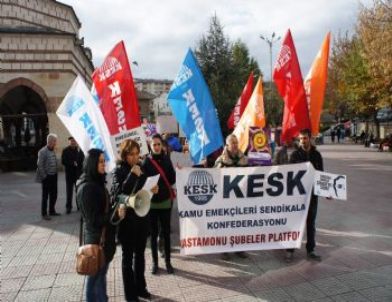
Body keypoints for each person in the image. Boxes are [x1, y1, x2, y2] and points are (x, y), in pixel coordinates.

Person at [111, 139, 158, 301]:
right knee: (127, 258)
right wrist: (132, 175)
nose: (135, 157)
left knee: (140, 256)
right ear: (124, 155)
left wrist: (153, 189)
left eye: (137, 154)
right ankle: (130, 295)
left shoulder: (142, 168)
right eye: (131, 154)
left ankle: (141, 288)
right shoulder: (118, 170)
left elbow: (144, 192)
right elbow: (119, 194)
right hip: (127, 223)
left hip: (142, 219)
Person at [76, 148, 116, 302]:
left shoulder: (95, 182)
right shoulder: (88, 188)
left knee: (100, 277)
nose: (103, 164)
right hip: (97, 241)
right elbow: (94, 220)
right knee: (94, 281)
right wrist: (115, 214)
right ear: (92, 163)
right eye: (100, 161)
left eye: (104, 161)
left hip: (100, 240)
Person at [285, 128, 324, 263]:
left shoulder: (317, 155)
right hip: (298, 195)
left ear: (310, 138)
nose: (302, 141)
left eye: (305, 138)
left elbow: (321, 175)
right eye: (300, 139)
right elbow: (290, 174)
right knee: (295, 222)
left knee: (311, 222)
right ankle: (290, 249)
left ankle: (311, 249)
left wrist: (327, 191)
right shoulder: (295, 155)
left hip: (312, 194)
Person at [142, 133, 176, 275]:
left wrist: (177, 169)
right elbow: (142, 183)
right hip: (152, 204)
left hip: (165, 202)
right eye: (154, 144)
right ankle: (155, 263)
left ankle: (168, 262)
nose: (156, 147)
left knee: (166, 234)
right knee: (154, 234)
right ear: (150, 146)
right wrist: (149, 187)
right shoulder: (146, 162)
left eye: (158, 144)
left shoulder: (167, 159)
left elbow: (172, 179)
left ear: (162, 146)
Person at [214, 134, 248, 260]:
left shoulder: (243, 158)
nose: (234, 145)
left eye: (236, 142)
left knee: (239, 224)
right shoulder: (221, 159)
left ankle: (239, 248)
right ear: (227, 145)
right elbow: (214, 176)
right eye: (232, 143)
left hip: (239, 198)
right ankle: (224, 249)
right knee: (225, 225)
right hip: (226, 198)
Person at [36, 133, 59, 220]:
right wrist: (44, 176)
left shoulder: (53, 150)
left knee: (54, 194)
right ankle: (44, 213)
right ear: (50, 141)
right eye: (55, 141)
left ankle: (52, 210)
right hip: (47, 177)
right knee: (45, 196)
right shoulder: (42, 151)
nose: (56, 143)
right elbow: (39, 165)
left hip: (54, 176)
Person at [61, 137, 84, 214]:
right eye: (71, 141)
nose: (73, 142)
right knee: (69, 192)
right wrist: (72, 163)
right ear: (69, 142)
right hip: (69, 175)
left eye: (74, 141)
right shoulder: (65, 150)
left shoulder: (79, 151)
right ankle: (68, 207)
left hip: (78, 175)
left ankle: (79, 206)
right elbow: (63, 161)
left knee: (79, 191)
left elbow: (82, 161)